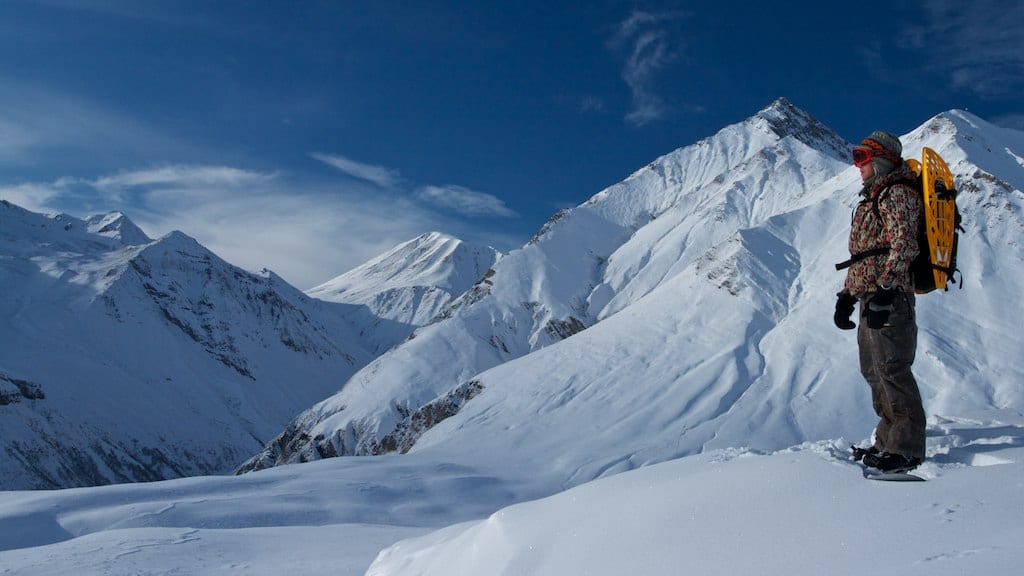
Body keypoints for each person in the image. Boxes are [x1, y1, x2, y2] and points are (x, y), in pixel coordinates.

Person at [834, 130, 926, 473]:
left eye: (862, 158)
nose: (857, 166)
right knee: (873, 372)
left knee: (893, 370)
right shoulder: (871, 198)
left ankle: (906, 449)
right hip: (870, 296)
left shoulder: (897, 193)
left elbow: (904, 244)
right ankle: (886, 441)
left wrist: (887, 289)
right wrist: (846, 296)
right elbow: (864, 256)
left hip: (891, 297)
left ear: (883, 159)